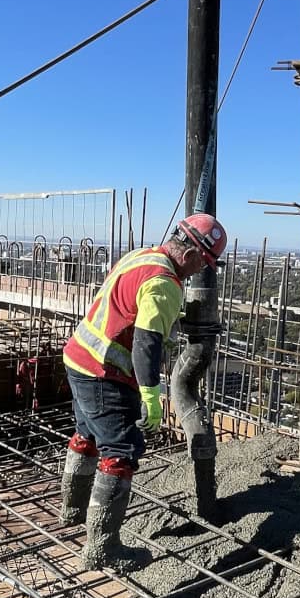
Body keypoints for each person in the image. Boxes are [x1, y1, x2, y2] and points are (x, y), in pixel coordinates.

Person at [60, 213, 228, 566]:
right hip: (104, 372)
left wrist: (173, 318)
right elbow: (146, 344)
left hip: (78, 357)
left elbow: (128, 307)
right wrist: (151, 394)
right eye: (204, 263)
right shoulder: (165, 284)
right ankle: (102, 549)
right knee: (121, 449)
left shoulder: (142, 256)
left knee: (87, 433)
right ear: (193, 254)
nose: (200, 271)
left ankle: (72, 511)